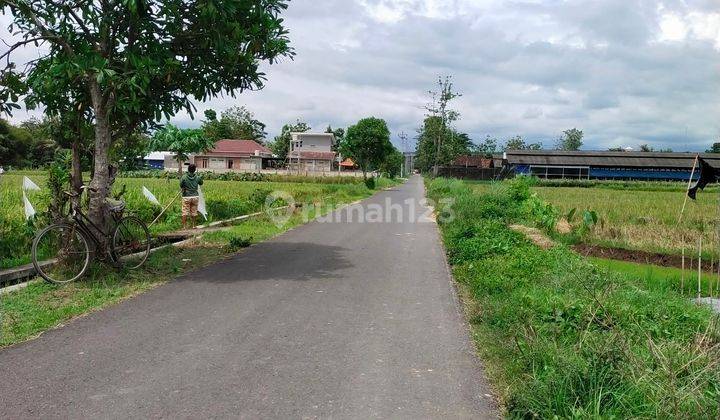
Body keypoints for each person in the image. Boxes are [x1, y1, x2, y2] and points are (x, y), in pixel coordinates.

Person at [180, 164, 203, 229]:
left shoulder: (184, 177)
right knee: (194, 211)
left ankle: (184, 227)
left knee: (185, 211)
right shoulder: (197, 177)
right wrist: (200, 177)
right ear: (195, 170)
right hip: (195, 196)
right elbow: (201, 183)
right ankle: (194, 226)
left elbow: (181, 185)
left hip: (186, 196)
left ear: (188, 169)